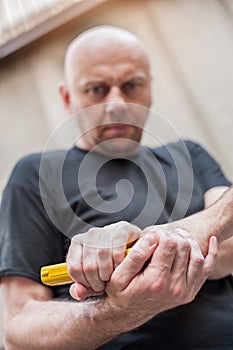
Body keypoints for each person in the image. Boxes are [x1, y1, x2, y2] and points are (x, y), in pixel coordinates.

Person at [0, 25, 232, 350]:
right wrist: (117, 312)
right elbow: (17, 328)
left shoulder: (189, 155)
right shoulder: (35, 174)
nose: (117, 104)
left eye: (131, 85)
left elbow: (230, 245)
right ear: (68, 97)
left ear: (150, 88)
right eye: (96, 89)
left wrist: (146, 247)